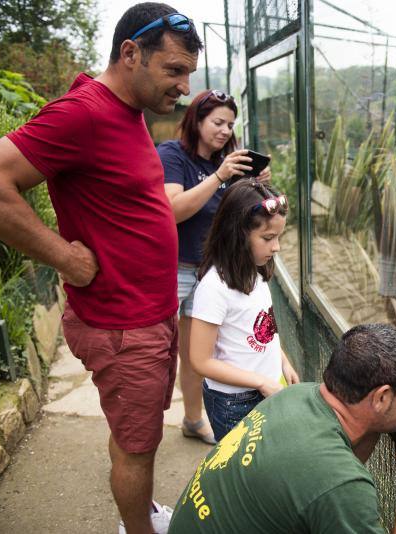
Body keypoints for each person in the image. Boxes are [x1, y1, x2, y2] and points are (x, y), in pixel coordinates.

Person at [0, 4, 202, 534]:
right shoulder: (83, 113)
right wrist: (64, 257)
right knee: (138, 449)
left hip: (149, 314)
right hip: (123, 325)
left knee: (134, 435)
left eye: (187, 73)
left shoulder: (128, 111)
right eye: (173, 70)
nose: (183, 87)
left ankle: (139, 513)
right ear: (130, 53)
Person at [168, 323, 396, 534]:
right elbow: (331, 482)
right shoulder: (338, 484)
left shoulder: (297, 395)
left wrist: (378, 419)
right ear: (381, 397)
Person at [158, 90, 272, 445]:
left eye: (230, 125)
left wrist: (254, 186)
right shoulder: (173, 155)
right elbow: (173, 210)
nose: (225, 131)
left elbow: (236, 215)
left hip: (209, 274)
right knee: (161, 353)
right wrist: (220, 176)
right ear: (197, 120)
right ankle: (155, 421)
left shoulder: (226, 163)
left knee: (196, 355)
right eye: (217, 122)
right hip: (174, 269)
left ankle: (194, 419)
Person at [188, 179, 300, 441]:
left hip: (266, 388)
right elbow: (200, 360)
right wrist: (260, 382)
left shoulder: (256, 272)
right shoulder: (214, 287)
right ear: (237, 234)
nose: (277, 247)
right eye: (268, 238)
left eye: (278, 237)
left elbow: (265, 329)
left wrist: (283, 361)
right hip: (234, 403)